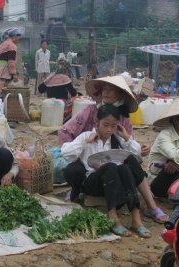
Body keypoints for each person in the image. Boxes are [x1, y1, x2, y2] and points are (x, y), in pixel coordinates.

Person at [60, 76, 167, 223]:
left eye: (111, 90)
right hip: (87, 159)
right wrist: (80, 150)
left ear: (120, 94)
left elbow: (130, 146)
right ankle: (77, 190)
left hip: (114, 164)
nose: (106, 92)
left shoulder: (123, 117)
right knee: (74, 170)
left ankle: (151, 206)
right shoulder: (91, 110)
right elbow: (65, 132)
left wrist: (138, 147)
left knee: (130, 161)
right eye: (104, 88)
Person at [62, 104, 150, 238]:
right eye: (106, 125)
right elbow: (66, 153)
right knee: (110, 166)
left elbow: (137, 157)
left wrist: (126, 137)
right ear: (97, 122)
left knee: (125, 167)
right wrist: (86, 141)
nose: (109, 130)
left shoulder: (118, 139)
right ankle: (113, 217)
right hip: (92, 182)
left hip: (114, 184)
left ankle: (136, 219)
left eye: (113, 126)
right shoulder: (86, 136)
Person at [149, 99, 179, 198]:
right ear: (176, 120)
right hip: (159, 180)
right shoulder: (164, 135)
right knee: (171, 166)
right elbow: (174, 155)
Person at [0, 27, 21, 97]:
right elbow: (11, 62)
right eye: (18, 36)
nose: (19, 38)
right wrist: (14, 74)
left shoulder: (2, 44)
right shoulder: (12, 45)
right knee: (5, 92)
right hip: (6, 71)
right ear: (14, 36)